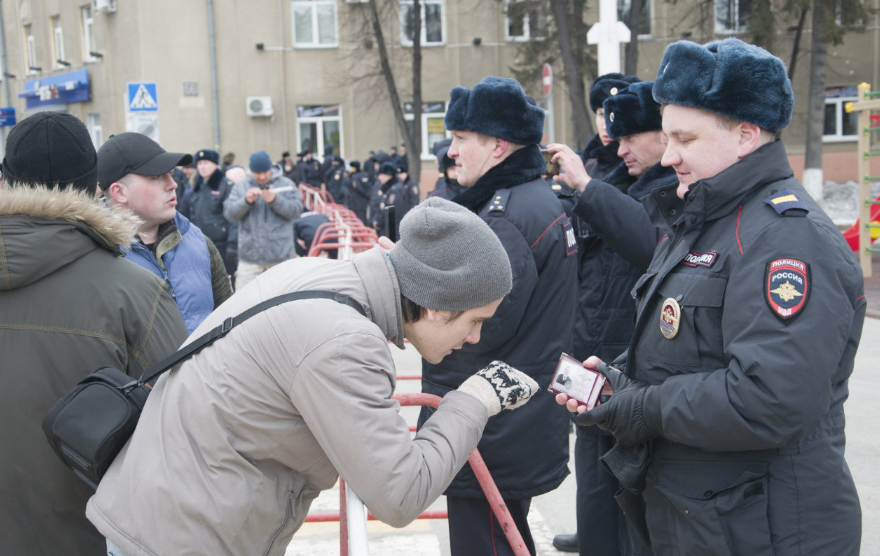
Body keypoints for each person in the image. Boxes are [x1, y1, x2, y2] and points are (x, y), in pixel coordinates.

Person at [87, 198, 540, 556]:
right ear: (440, 304)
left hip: (163, 514)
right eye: (475, 321)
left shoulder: (315, 273)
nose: (476, 338)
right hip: (185, 538)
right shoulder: (345, 341)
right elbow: (399, 495)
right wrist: (475, 400)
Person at [553, 38, 865, 556]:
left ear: (745, 135)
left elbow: (771, 400)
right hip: (708, 519)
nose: (669, 154)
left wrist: (642, 407)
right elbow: (689, 351)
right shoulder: (710, 220)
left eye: (685, 138)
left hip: (765, 528)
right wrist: (619, 383)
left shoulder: (787, 239)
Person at [0, 112, 187, 556]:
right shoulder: (136, 293)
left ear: (7, 180)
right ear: (93, 187)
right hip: (89, 538)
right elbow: (184, 428)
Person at [421, 76, 578, 556]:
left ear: (498, 146)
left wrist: (415, 300)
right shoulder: (523, 202)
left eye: (461, 139)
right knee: (503, 536)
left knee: (486, 542)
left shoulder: (505, 218)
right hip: (506, 417)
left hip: (492, 424)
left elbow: (479, 328)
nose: (452, 151)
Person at [552, 81, 672, 556]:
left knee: (623, 491)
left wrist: (586, 186)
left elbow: (648, 242)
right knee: (595, 479)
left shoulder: (669, 190)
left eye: (629, 137)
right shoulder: (624, 178)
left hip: (628, 363)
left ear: (662, 134)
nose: (617, 147)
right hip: (593, 355)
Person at [98, 133, 232, 333]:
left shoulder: (199, 243)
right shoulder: (94, 254)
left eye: (170, 174)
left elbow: (230, 322)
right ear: (120, 192)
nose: (173, 184)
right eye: (157, 176)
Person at [223, 150, 303, 289]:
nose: (261, 176)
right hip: (250, 259)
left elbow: (296, 211)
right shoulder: (241, 186)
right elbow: (229, 214)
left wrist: (275, 200)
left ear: (270, 169)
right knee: (244, 303)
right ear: (251, 171)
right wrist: (246, 201)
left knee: (282, 303)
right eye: (257, 173)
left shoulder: (286, 183)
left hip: (280, 258)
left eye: (265, 172)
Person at [179, 148, 239, 277]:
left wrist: (233, 245)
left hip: (222, 245)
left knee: (226, 282)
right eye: (200, 164)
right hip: (200, 244)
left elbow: (234, 218)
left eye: (206, 163)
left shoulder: (225, 185)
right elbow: (189, 214)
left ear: (215, 164)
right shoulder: (196, 186)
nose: (203, 167)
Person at [368, 161, 400, 237]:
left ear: (388, 175)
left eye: (381, 175)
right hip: (386, 228)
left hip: (392, 232)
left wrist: (378, 222)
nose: (379, 177)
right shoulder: (388, 188)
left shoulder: (395, 190)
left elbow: (389, 211)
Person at [346, 159, 374, 224]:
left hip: (361, 203)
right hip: (353, 203)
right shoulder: (351, 176)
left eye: (352, 167)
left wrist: (357, 186)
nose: (351, 169)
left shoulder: (362, 175)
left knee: (362, 221)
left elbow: (366, 190)